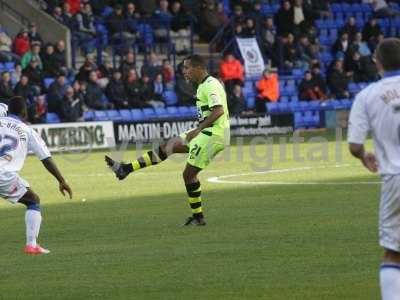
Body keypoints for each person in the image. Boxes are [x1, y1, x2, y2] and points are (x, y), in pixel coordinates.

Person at [105, 55, 230, 226]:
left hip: (214, 134)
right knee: (168, 147)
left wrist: (198, 129)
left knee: (188, 175)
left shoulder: (210, 85)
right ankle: (125, 169)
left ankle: (198, 217)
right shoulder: (204, 85)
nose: (184, 71)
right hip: (206, 132)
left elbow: (219, 111)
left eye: (187, 68)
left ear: (198, 68)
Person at [347, 38, 400, 300]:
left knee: (393, 252)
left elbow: (355, 145)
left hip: (394, 180)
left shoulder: (366, 96)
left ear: (377, 62)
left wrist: (363, 157)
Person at [0, 96, 72, 254]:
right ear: (24, 112)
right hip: (3, 175)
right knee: (33, 201)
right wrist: (61, 181)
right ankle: (31, 245)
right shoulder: (27, 130)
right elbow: (46, 159)